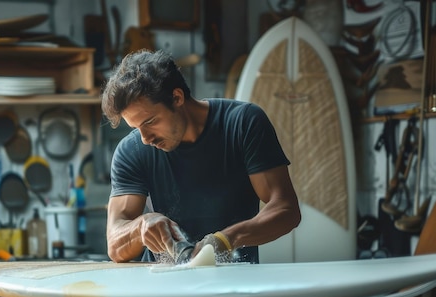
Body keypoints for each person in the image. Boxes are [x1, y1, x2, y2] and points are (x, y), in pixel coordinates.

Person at [101, 49, 301, 264]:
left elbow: (285, 209)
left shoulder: (243, 123)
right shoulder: (132, 150)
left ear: (177, 98)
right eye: (136, 127)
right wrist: (139, 228)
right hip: (160, 285)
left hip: (235, 282)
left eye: (149, 122)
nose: (145, 138)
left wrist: (227, 240)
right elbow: (114, 244)